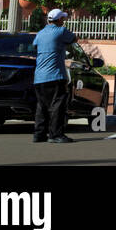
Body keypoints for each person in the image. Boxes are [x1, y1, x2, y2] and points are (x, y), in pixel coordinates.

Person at [32, 9, 77, 144]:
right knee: (58, 105)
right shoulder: (61, 31)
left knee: (42, 106)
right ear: (58, 20)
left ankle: (39, 134)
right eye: (62, 19)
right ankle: (56, 134)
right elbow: (74, 39)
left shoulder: (40, 34)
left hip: (39, 76)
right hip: (55, 75)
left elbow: (35, 46)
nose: (63, 21)